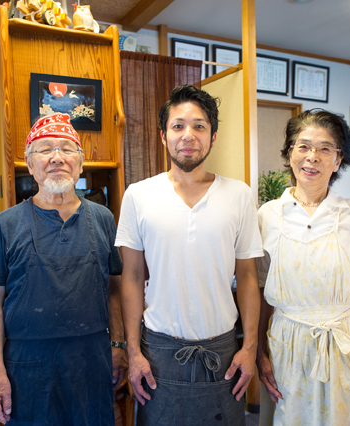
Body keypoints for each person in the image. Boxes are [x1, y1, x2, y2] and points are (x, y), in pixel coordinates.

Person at [116, 85, 264, 426]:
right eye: (178, 125)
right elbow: (132, 277)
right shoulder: (139, 195)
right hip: (159, 354)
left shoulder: (238, 195)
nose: (188, 135)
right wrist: (134, 352)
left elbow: (248, 277)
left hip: (224, 351)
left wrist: (250, 347)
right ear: (163, 136)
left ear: (213, 137)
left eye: (199, 126)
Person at [256, 109, 350, 425]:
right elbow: (261, 292)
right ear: (290, 153)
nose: (312, 157)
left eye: (325, 148)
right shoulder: (267, 216)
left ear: (339, 160)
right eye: (303, 146)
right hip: (291, 348)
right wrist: (259, 351)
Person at [0, 113, 127, 425]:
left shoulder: (103, 219)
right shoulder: (4, 226)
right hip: (27, 369)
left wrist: (118, 345)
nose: (56, 157)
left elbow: (113, 290)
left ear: (81, 163)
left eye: (67, 149)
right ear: (30, 165)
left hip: (92, 362)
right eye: (44, 150)